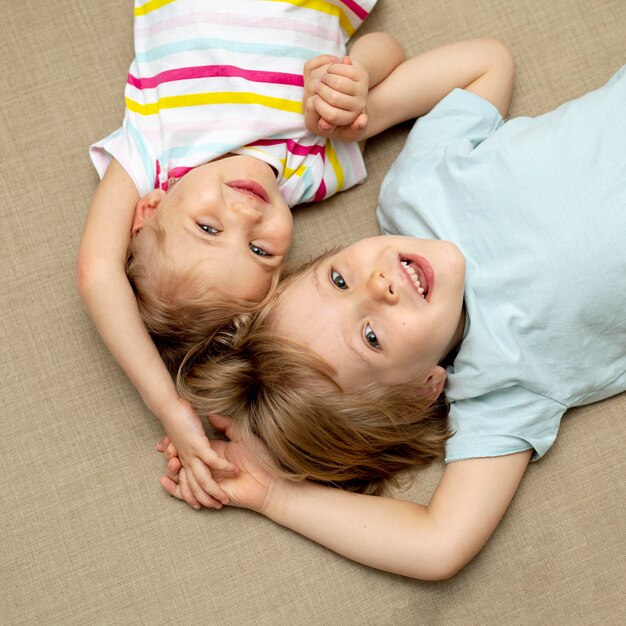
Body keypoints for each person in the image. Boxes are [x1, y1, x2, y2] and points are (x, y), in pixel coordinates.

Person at [159, 50, 626, 579]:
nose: (377, 285)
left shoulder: (415, 190)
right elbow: (438, 545)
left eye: (338, 279)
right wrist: (273, 496)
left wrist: (367, 112)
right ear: (425, 388)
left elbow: (487, 62)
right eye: (372, 336)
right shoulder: (503, 385)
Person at [77, 1, 508, 510]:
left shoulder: (156, 147)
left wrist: (170, 408)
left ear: (148, 209)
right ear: (285, 268)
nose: (245, 216)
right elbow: (396, 51)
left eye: (208, 227)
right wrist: (358, 78)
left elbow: (97, 272)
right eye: (260, 250)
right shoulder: (316, 162)